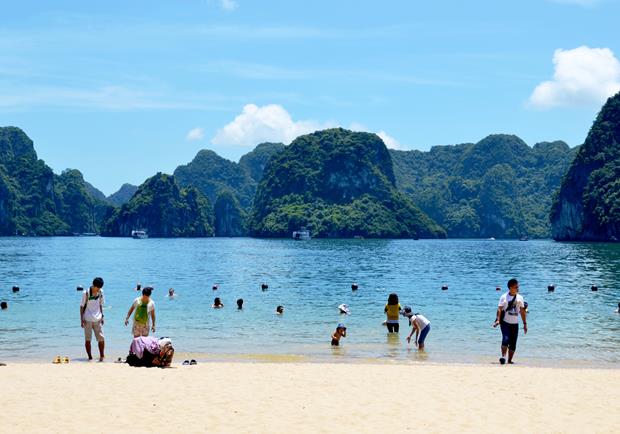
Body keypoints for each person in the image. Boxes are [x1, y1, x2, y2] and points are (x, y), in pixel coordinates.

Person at [493, 278, 527, 365]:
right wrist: (497, 320)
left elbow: (522, 311)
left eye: (518, 286)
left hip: (515, 324)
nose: (518, 288)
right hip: (505, 323)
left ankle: (509, 360)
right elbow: (499, 309)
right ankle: (503, 357)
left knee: (513, 343)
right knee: (505, 339)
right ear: (511, 287)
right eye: (516, 287)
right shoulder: (504, 297)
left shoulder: (520, 298)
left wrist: (525, 323)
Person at [80, 277, 105, 361]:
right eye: (97, 287)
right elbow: (82, 306)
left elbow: (101, 304)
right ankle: (90, 357)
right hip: (87, 319)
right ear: (93, 285)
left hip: (98, 319)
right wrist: (81, 319)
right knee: (88, 340)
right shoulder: (86, 293)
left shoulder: (101, 292)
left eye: (100, 288)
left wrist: (102, 316)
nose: (98, 289)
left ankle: (102, 356)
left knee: (101, 339)